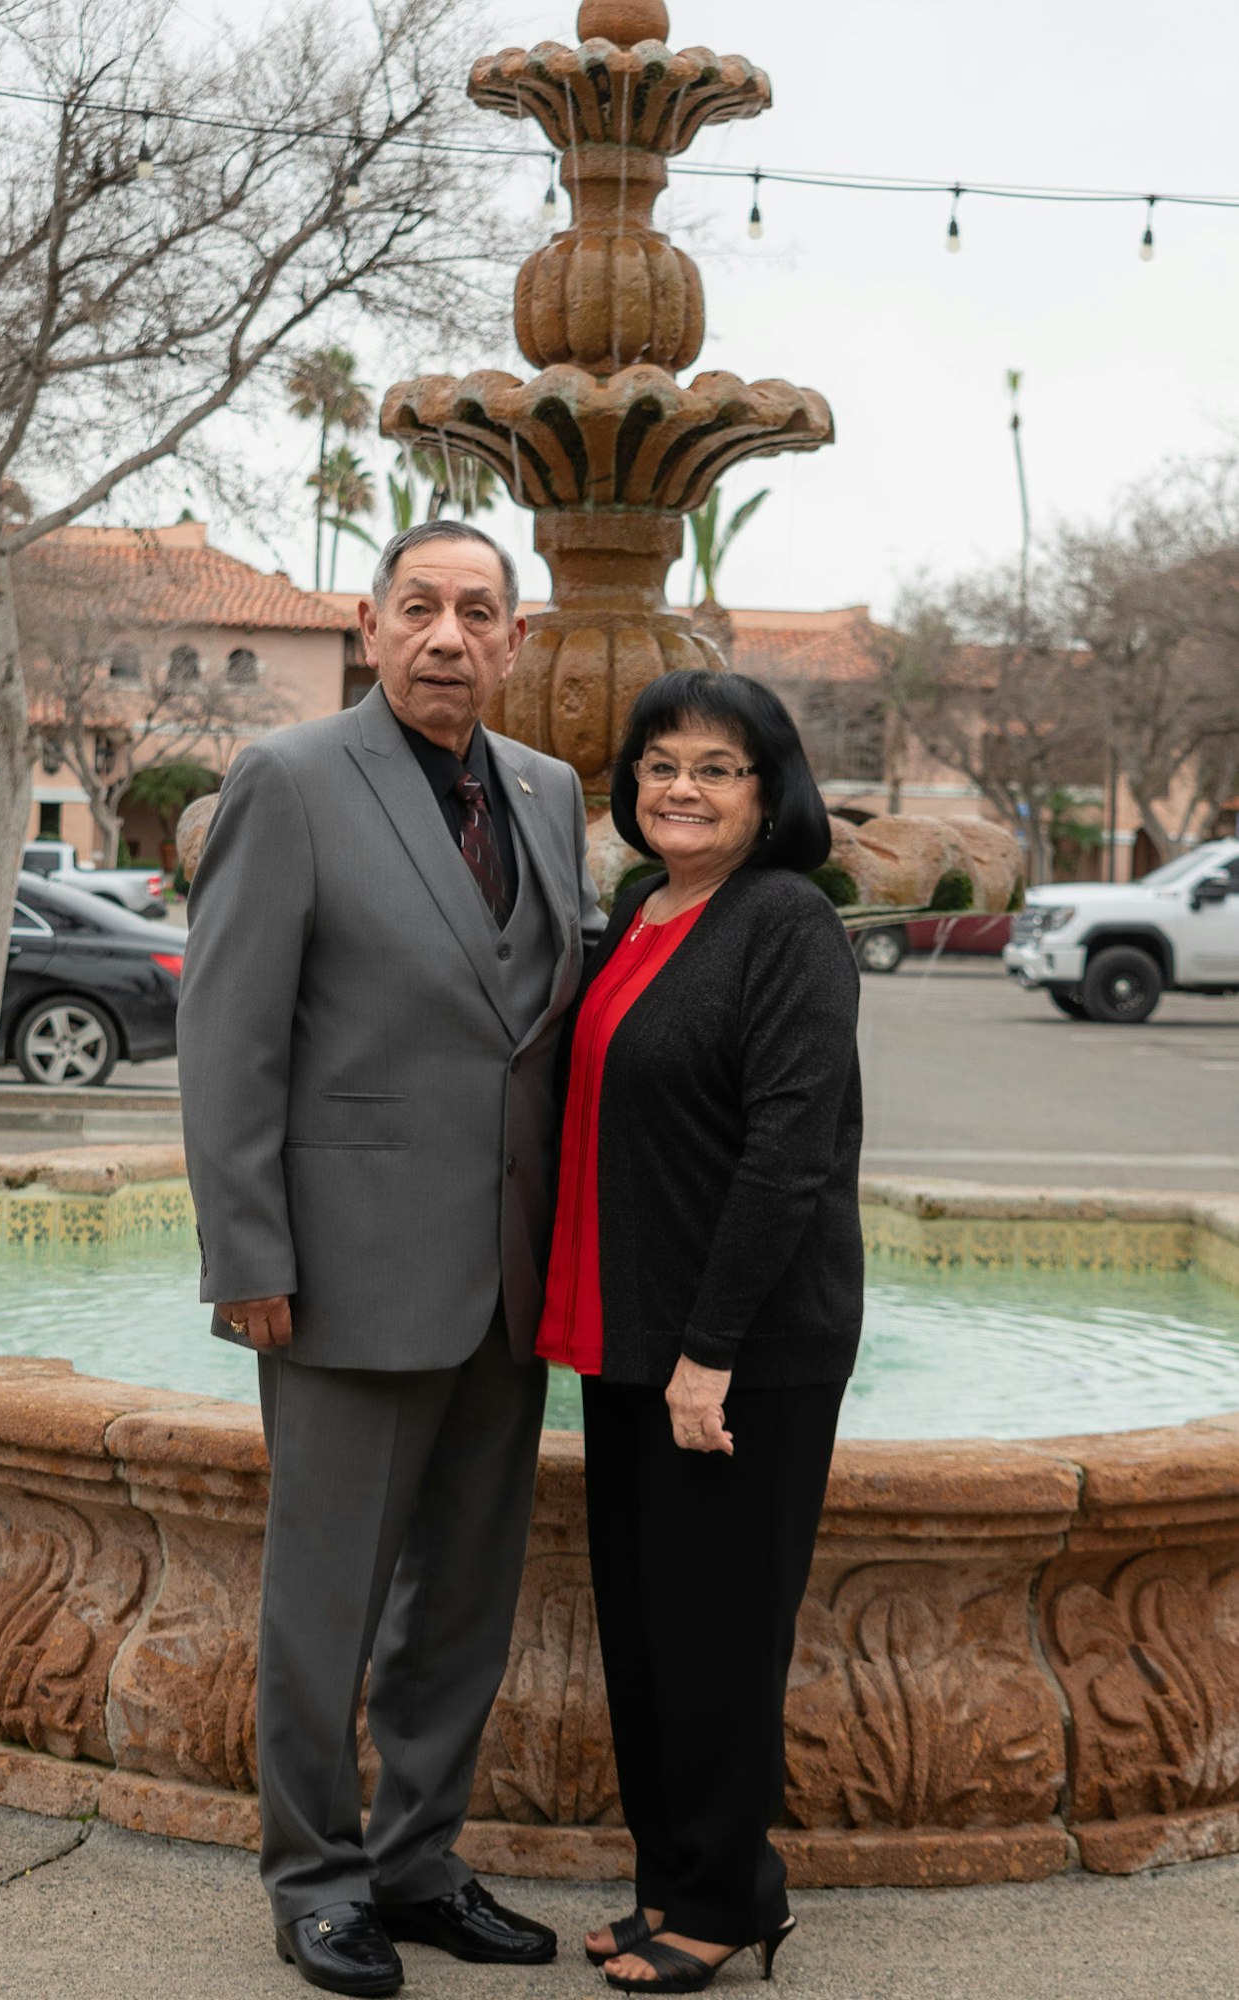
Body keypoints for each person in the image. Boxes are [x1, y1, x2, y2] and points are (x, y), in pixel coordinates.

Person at [177, 520, 604, 1999]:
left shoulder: (548, 795)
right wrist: (248, 1253)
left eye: (474, 613)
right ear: (368, 626)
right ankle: (314, 1881)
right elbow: (227, 1040)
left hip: (508, 1279)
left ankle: (419, 1863)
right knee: (326, 1603)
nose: (444, 637)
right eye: (415, 607)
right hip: (343, 1275)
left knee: (465, 1602)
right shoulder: (288, 781)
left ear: (513, 642)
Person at [535, 668, 864, 1995]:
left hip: (738, 1356)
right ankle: (670, 1881)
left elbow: (789, 1155)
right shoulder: (642, 909)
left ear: (770, 790)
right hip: (633, 1338)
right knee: (649, 1625)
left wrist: (709, 1351)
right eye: (660, 761)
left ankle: (729, 1900)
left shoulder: (786, 923)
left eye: (717, 766)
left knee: (721, 1634)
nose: (680, 785)